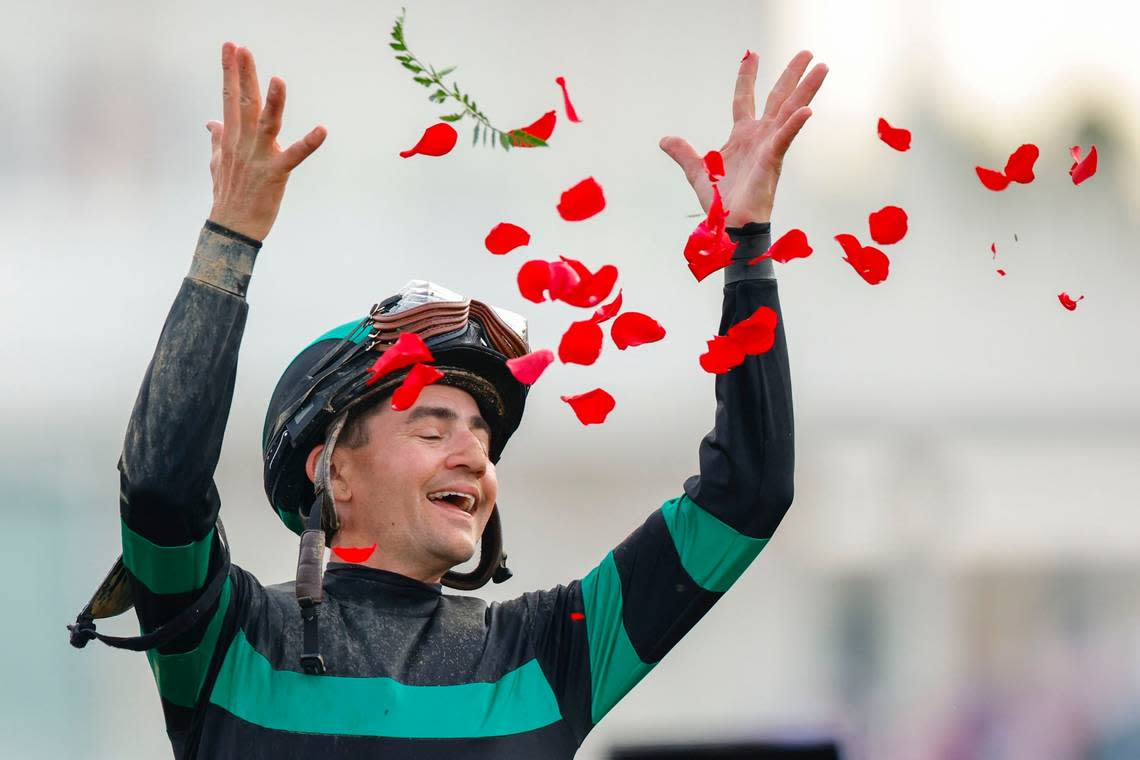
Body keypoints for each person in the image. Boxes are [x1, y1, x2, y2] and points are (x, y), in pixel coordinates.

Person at [68, 40, 826, 759]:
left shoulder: (550, 652)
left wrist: (745, 243)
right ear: (332, 472)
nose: (474, 453)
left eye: (482, 438)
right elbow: (163, 488)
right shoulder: (226, 640)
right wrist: (231, 238)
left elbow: (747, 494)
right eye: (434, 430)